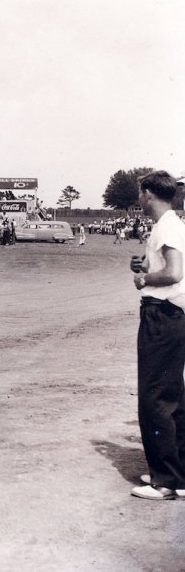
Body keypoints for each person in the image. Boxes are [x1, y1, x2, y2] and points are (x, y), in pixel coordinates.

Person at [129, 170, 185, 500]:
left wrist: (145, 279)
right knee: (173, 396)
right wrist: (145, 268)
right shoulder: (172, 224)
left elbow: (175, 272)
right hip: (172, 315)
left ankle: (164, 481)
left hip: (161, 316)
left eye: (140, 193)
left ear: (148, 194)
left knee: (155, 397)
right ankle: (177, 474)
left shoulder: (167, 226)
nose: (139, 199)